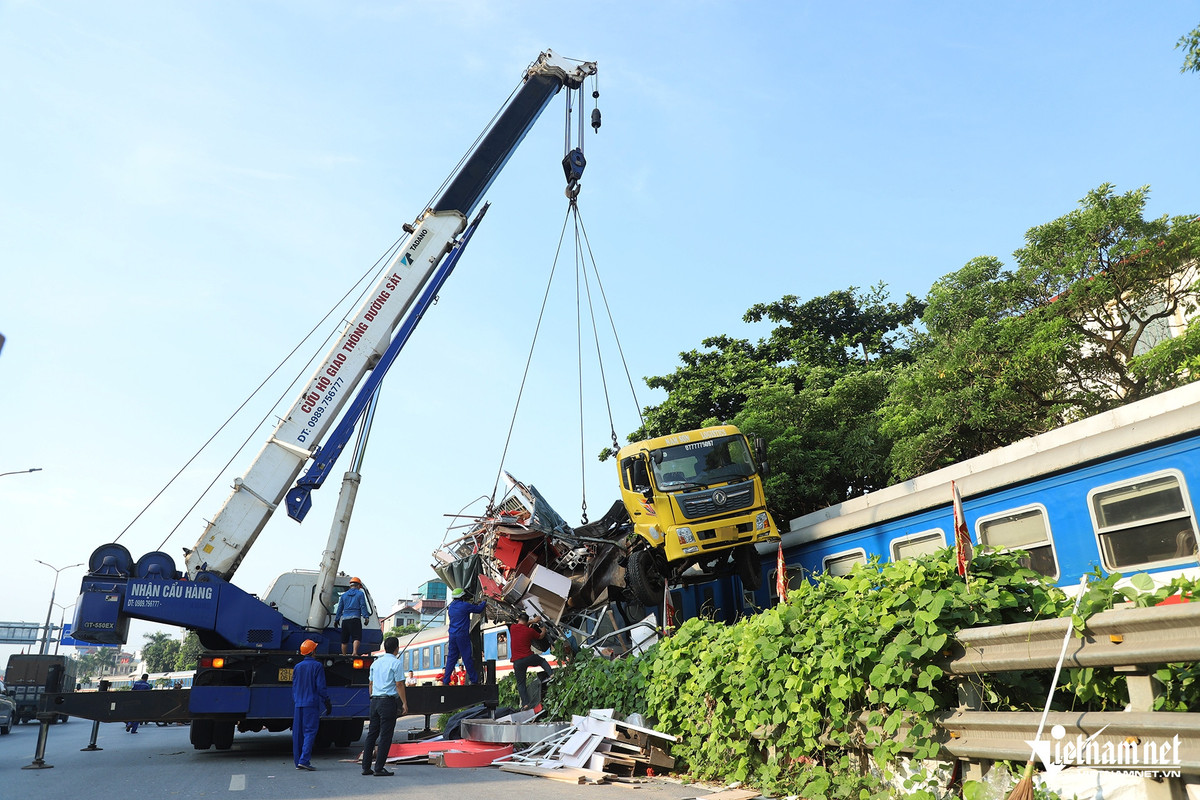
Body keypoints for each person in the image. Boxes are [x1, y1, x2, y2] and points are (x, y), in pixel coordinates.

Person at [362, 635, 407, 777]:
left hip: (375, 701)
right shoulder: (396, 663)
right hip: (387, 702)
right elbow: (399, 684)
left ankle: (366, 767)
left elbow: (370, 684)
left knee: (372, 734)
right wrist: (404, 702)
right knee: (385, 736)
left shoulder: (375, 663)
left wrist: (372, 697)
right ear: (397, 649)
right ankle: (379, 768)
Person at [291, 639, 331, 771]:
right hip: (311, 703)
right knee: (309, 731)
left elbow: (294, 686)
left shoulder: (297, 667)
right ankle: (304, 760)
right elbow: (320, 687)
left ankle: (298, 762)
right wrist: (326, 701)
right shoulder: (317, 666)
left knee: (298, 734)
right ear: (313, 651)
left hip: (298, 704)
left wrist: (296, 700)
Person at [441, 587, 486, 685]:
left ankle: (446, 680)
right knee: (467, 658)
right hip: (462, 635)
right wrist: (484, 602)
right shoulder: (465, 605)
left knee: (451, 659)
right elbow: (479, 609)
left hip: (452, 636)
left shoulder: (451, 608)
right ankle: (474, 680)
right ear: (462, 597)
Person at [508, 613, 553, 709]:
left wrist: (533, 621)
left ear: (518, 619)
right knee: (542, 661)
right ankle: (551, 674)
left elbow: (523, 623)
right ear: (527, 620)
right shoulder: (530, 631)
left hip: (517, 661)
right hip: (529, 657)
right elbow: (540, 636)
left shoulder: (512, 628)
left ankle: (525, 704)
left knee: (521, 683)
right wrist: (543, 630)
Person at [333, 577, 370, 655]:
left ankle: (344, 655)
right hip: (355, 619)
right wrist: (366, 617)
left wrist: (337, 619)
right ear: (358, 586)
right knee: (356, 637)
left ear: (350, 585)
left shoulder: (344, 595)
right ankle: (354, 652)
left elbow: (340, 608)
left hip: (345, 620)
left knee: (344, 639)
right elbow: (363, 606)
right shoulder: (360, 594)